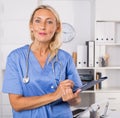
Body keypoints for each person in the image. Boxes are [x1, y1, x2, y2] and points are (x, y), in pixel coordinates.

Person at [2, 5, 82, 118]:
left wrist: (72, 98)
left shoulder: (65, 58)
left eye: (49, 22)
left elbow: (77, 100)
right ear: (31, 26)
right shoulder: (15, 58)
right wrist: (55, 95)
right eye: (38, 21)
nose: (43, 27)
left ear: (57, 27)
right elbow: (16, 104)